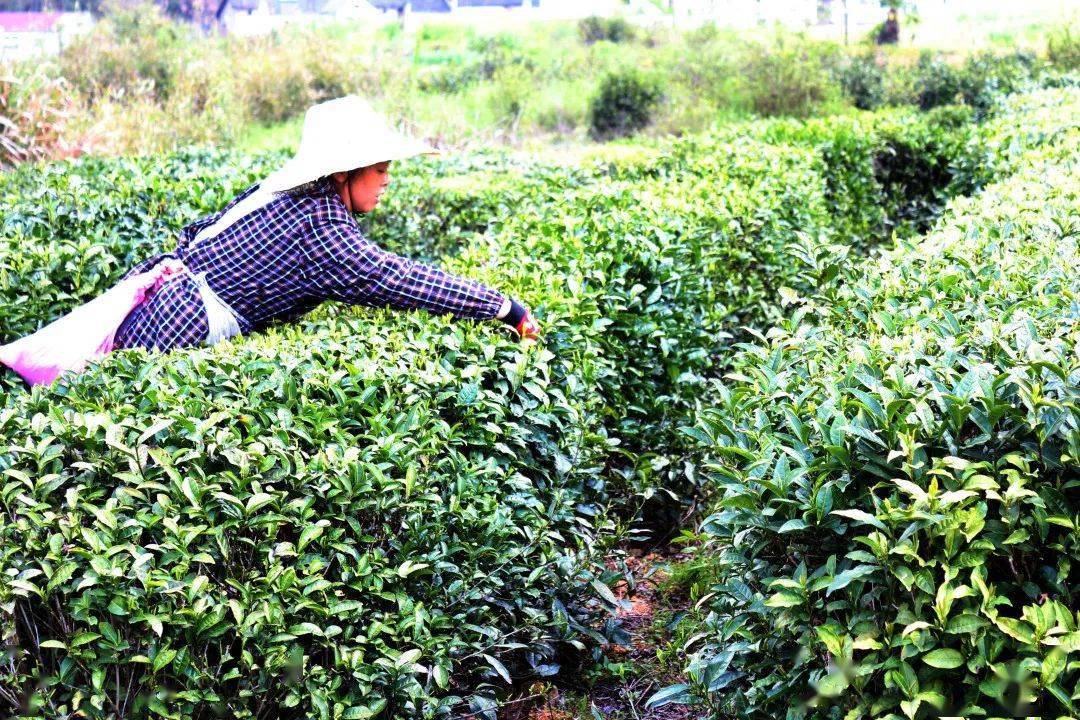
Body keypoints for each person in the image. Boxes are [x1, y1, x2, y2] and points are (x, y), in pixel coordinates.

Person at [110, 95, 540, 354]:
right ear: (342, 172)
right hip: (175, 328)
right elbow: (393, 279)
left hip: (155, 298)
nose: (387, 179)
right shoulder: (321, 228)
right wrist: (504, 308)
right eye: (378, 169)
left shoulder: (284, 189)